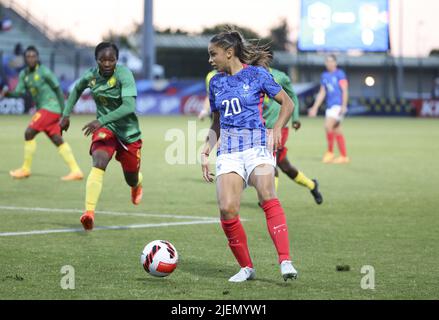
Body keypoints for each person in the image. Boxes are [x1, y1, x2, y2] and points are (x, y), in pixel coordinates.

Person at [201, 29, 298, 282]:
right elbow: (217, 121)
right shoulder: (215, 82)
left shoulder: (257, 75)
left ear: (229, 52)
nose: (210, 59)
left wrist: (276, 128)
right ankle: (247, 267)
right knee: (227, 209)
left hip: (256, 147)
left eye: (214, 54)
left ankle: (285, 261)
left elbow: (288, 103)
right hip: (229, 152)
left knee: (267, 193)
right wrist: (206, 148)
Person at [60, 42, 143, 231]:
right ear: (96, 60)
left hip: (129, 134)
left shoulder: (124, 75)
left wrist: (100, 120)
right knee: (99, 161)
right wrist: (66, 114)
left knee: (131, 177)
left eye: (111, 60)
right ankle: (89, 213)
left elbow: (129, 107)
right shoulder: (91, 76)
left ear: (117, 60)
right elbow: (76, 90)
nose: (107, 63)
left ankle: (137, 183)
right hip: (106, 129)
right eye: (102, 60)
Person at [0, 46, 83, 181]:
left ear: (38, 58)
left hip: (51, 107)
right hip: (44, 110)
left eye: (33, 56)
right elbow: (19, 92)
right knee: (57, 139)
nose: (31, 58)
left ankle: (25, 169)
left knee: (29, 132)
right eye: (28, 56)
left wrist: (64, 113)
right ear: (25, 59)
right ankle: (76, 171)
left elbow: (58, 90)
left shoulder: (44, 72)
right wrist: (8, 93)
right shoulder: (24, 75)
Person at [261, 61, 322, 204]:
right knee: (285, 167)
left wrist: (295, 118)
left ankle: (269, 199)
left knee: (271, 163)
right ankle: (312, 185)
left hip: (279, 129)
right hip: (262, 130)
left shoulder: (280, 77)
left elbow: (292, 97)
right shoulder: (252, 77)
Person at [308, 54, 350, 164]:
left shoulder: (340, 74)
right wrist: (315, 107)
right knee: (336, 129)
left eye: (331, 61)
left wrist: (344, 105)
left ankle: (330, 153)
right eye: (327, 61)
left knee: (328, 126)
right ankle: (344, 156)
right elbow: (322, 92)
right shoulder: (325, 75)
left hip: (338, 105)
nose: (329, 63)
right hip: (330, 106)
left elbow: (345, 90)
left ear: (335, 63)